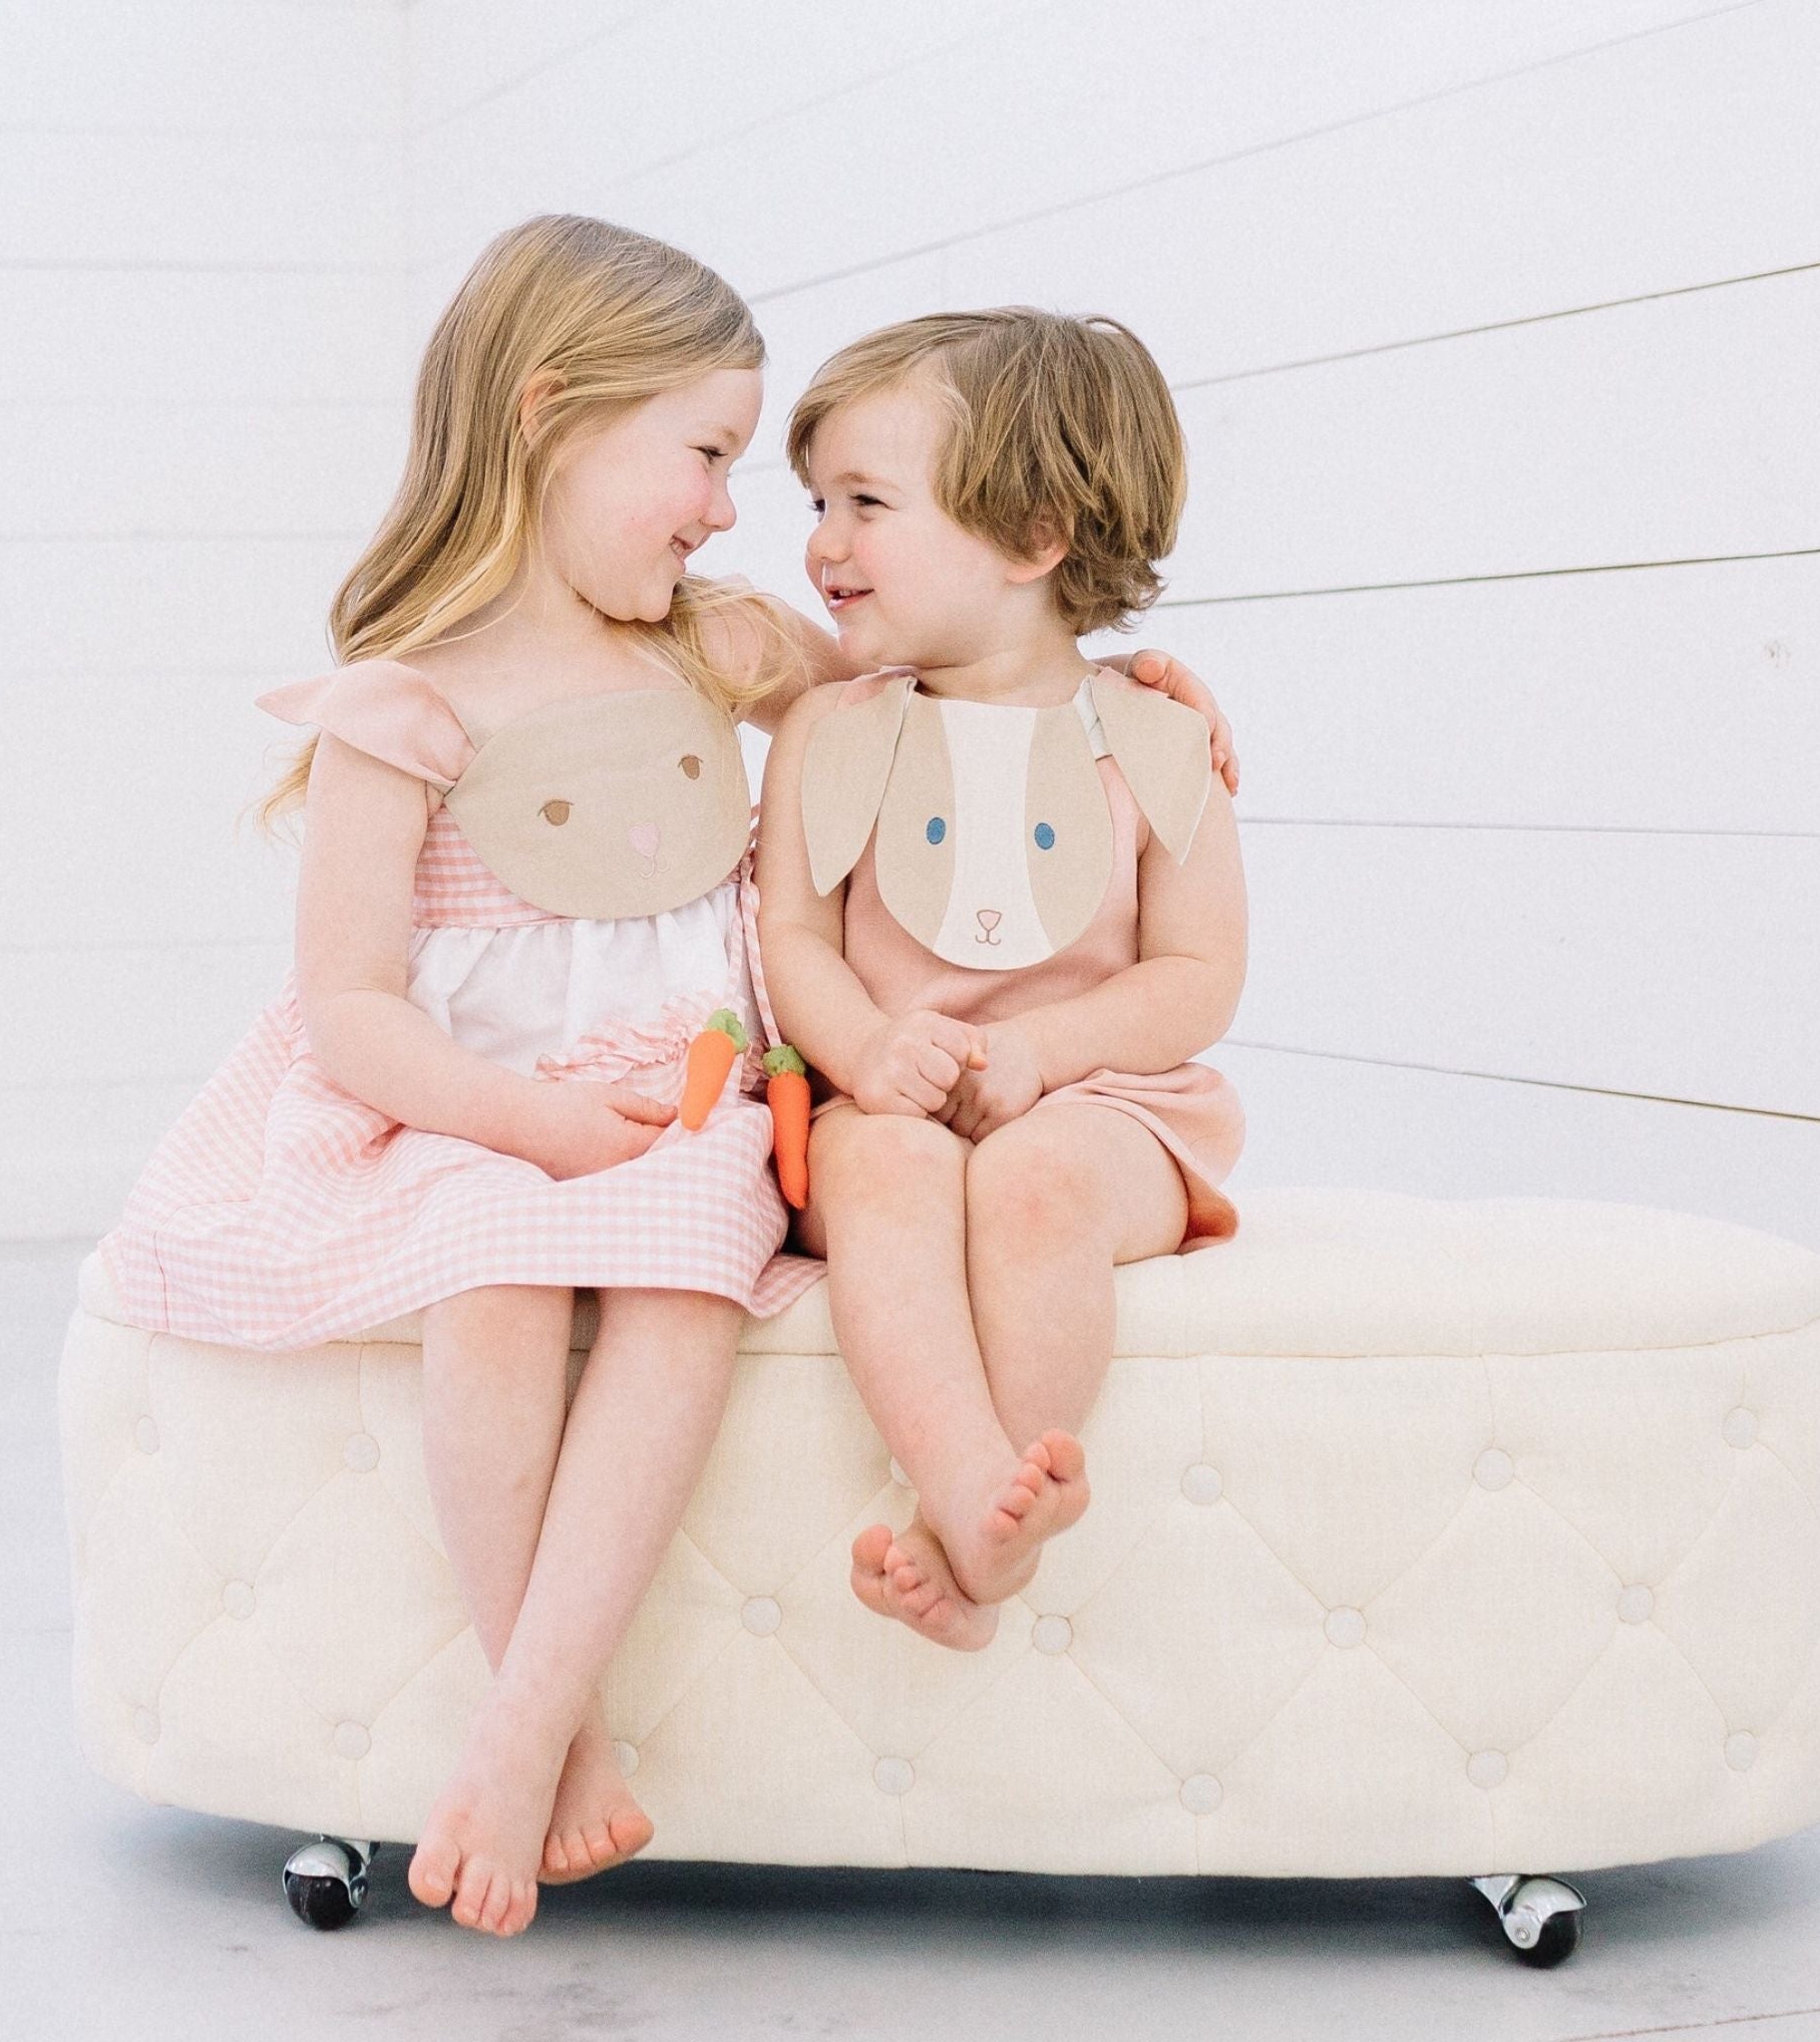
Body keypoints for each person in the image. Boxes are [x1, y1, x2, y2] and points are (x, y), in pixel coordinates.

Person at [95, 223, 1234, 1936]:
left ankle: (519, 1740)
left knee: (689, 1265)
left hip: (680, 1104)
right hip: (468, 1104)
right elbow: (349, 1009)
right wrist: (530, 1127)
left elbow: (972, 662)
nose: (724, 511)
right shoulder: (400, 706)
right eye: (704, 455)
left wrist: (1137, 683)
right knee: (492, 1290)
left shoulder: (719, 646)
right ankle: (546, 1736)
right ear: (554, 416)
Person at [757, 309, 1251, 1657]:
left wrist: (1047, 1054)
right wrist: (868, 1052)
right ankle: (974, 1493)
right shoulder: (828, 730)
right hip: (885, 1097)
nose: (823, 543)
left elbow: (1200, 974)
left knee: (1036, 1180)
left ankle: (976, 1521)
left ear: (1033, 537)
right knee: (886, 1169)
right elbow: (791, 935)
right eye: (817, 504)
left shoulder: (1154, 737)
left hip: (1108, 1108)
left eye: (866, 503)